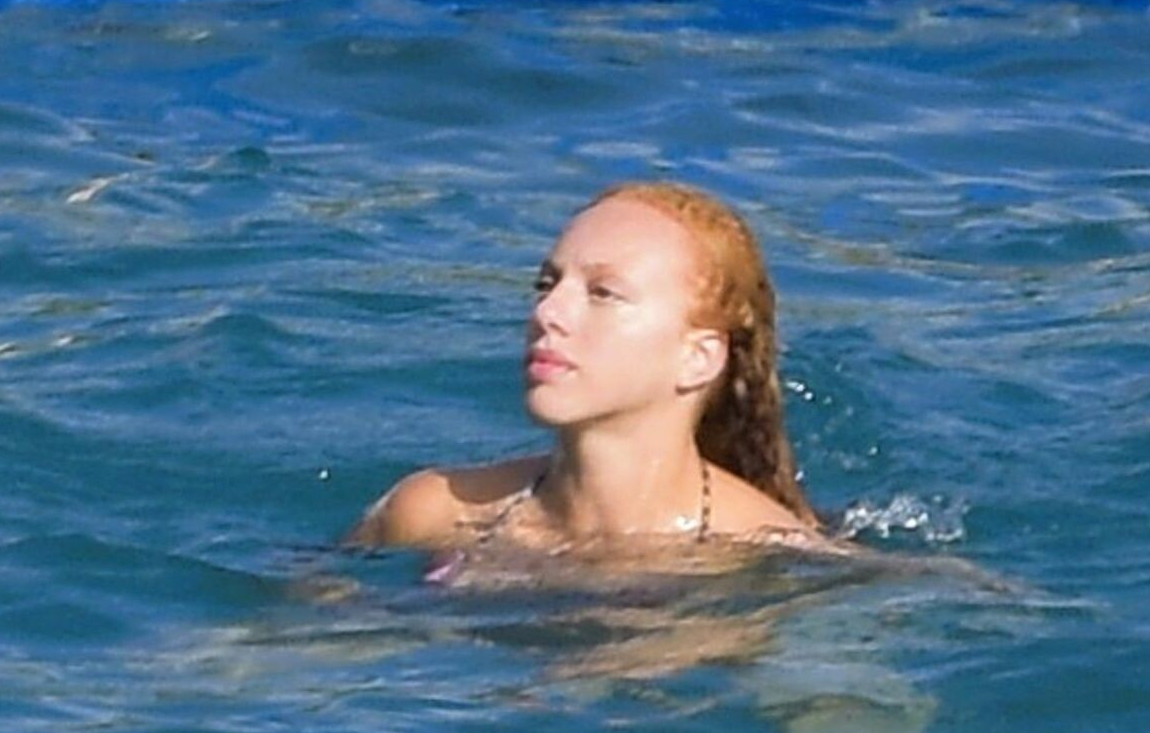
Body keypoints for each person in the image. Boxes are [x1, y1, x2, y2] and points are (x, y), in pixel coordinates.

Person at [344, 180, 844, 574]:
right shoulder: (432, 513)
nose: (547, 312)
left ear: (698, 358)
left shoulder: (769, 561)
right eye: (547, 283)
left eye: (603, 293)